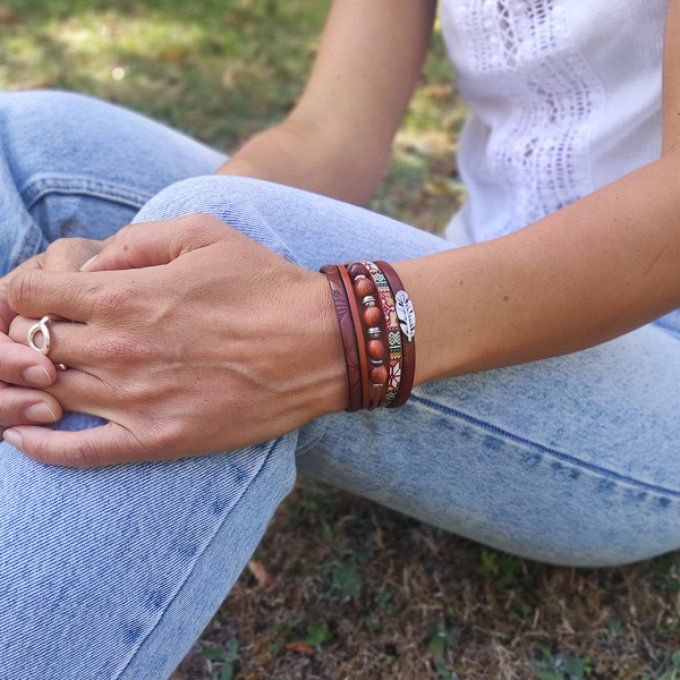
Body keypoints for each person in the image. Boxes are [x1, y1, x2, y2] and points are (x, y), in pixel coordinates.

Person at [1, 1, 678, 677]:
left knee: (239, 267)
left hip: (656, 358)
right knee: (33, 142)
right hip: (473, 271)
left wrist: (343, 332)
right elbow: (332, 132)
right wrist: (140, 264)